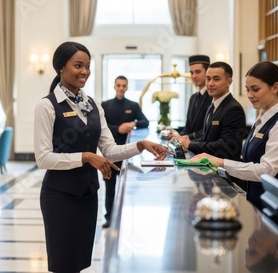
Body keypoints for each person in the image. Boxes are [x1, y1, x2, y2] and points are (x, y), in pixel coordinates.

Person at [33, 41, 171, 273]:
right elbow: (43, 158)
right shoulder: (46, 106)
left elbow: (110, 151)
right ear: (60, 68)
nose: (85, 72)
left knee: (79, 263)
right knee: (63, 264)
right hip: (60, 197)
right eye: (78, 65)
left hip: (88, 195)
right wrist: (86, 157)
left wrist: (140, 145)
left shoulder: (94, 105)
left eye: (88, 66)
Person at [190, 61, 278, 212]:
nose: (249, 95)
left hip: (277, 208)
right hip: (257, 203)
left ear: (275, 87)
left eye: (255, 89)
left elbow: (265, 171)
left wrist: (220, 162)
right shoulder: (261, 120)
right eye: (247, 89)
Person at [101, 75, 149, 228]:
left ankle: (124, 216)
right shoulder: (105, 105)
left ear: (127, 88)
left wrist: (132, 123)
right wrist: (118, 128)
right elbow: (102, 126)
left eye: (124, 86)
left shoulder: (133, 106)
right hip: (109, 152)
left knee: (126, 187)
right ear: (114, 87)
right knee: (109, 186)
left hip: (128, 153)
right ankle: (109, 218)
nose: (121, 88)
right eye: (119, 85)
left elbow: (145, 122)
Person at [176, 61, 246, 161]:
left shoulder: (233, 109)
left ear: (229, 82)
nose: (210, 83)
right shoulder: (212, 106)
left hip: (224, 172)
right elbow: (206, 138)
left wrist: (191, 145)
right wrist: (185, 140)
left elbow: (225, 146)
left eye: (216, 79)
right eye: (208, 79)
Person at [169, 55, 211, 140]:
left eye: (198, 72)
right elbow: (188, 127)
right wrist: (177, 136)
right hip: (189, 145)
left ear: (207, 72)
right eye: (191, 73)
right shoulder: (193, 97)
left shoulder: (212, 97)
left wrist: (185, 137)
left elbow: (209, 129)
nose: (194, 76)